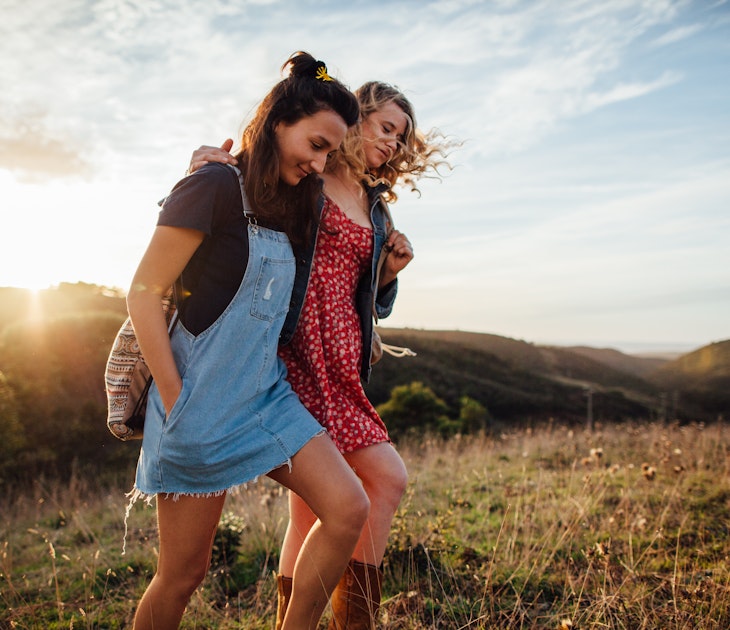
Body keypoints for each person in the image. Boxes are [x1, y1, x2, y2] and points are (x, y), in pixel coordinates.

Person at [189, 80, 451, 629]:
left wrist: (387, 275)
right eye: (386, 128)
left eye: (402, 138)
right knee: (384, 477)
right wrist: (210, 166)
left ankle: (310, 621)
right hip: (291, 354)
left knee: (314, 509)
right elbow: (245, 191)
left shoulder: (377, 211)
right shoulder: (305, 176)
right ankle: (349, 623)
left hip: (343, 363)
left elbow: (370, 300)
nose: (394, 144)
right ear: (356, 120)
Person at [127, 52, 370, 630]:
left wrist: (384, 276)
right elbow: (142, 292)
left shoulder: (295, 202)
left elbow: (351, 249)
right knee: (183, 576)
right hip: (197, 404)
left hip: (266, 398)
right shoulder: (211, 185)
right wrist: (174, 394)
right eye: (315, 144)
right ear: (277, 123)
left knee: (347, 507)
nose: (319, 162)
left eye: (329, 153)